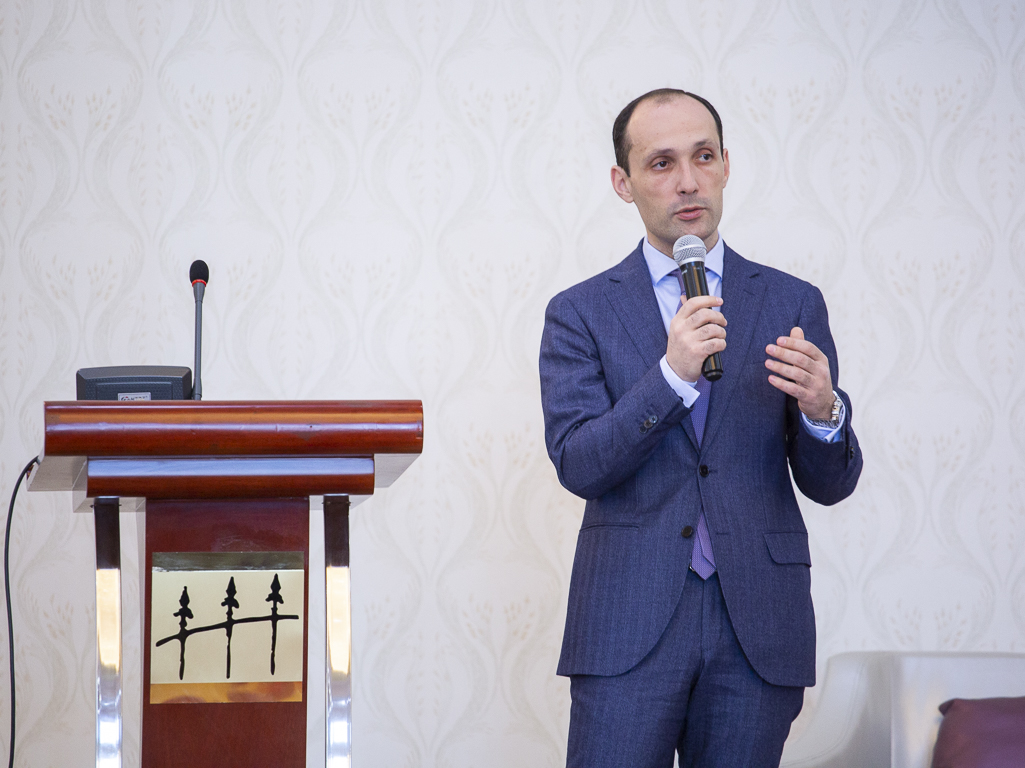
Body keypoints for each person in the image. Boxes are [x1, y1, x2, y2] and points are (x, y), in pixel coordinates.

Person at [538, 88, 863, 768]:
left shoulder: (790, 300)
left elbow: (830, 485)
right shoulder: (580, 312)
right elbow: (579, 463)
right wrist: (670, 376)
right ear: (623, 183)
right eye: (661, 163)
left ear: (725, 166)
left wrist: (822, 412)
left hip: (758, 622)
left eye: (703, 156)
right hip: (627, 620)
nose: (687, 181)